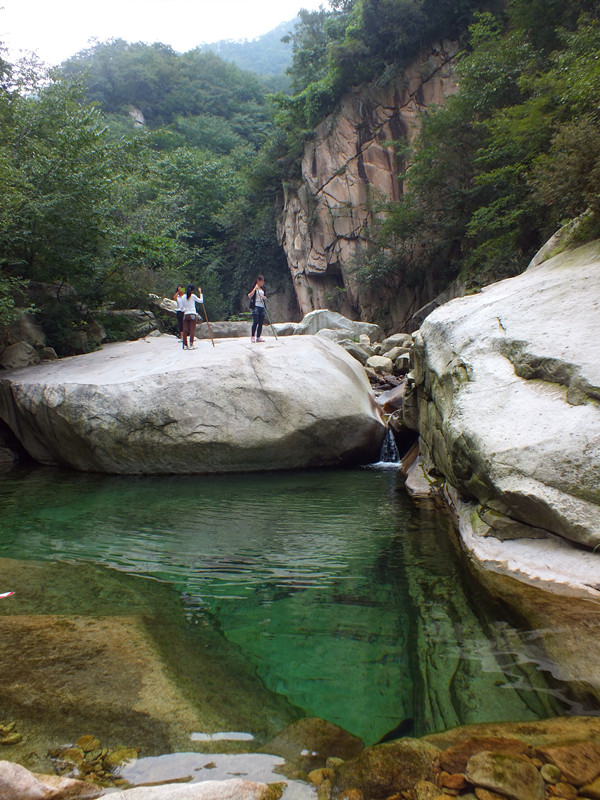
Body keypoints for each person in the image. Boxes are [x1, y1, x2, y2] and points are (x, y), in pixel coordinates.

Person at [179, 283, 203, 350]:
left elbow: (181, 307)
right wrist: (200, 293)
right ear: (192, 290)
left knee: (185, 330)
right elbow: (201, 301)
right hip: (192, 313)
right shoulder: (193, 296)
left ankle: (185, 344)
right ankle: (191, 344)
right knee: (192, 329)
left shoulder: (183, 297)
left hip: (186, 314)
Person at [248, 275, 266, 343]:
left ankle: (258, 336)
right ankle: (253, 336)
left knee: (261, 322)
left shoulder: (262, 289)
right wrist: (254, 289)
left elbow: (265, 297)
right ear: (258, 280)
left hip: (262, 306)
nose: (262, 283)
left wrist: (264, 297)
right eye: (262, 281)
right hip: (256, 306)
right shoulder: (254, 287)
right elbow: (249, 295)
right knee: (255, 321)